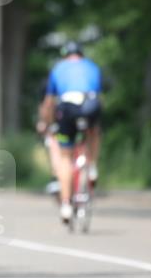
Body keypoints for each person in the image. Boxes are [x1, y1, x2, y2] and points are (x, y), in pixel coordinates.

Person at [37, 42, 103, 224]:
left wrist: (46, 123)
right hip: (91, 104)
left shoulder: (58, 68)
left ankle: (66, 205)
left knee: (65, 156)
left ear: (65, 56)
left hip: (68, 107)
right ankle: (92, 167)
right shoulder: (92, 66)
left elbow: (49, 102)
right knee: (94, 131)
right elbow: (98, 94)